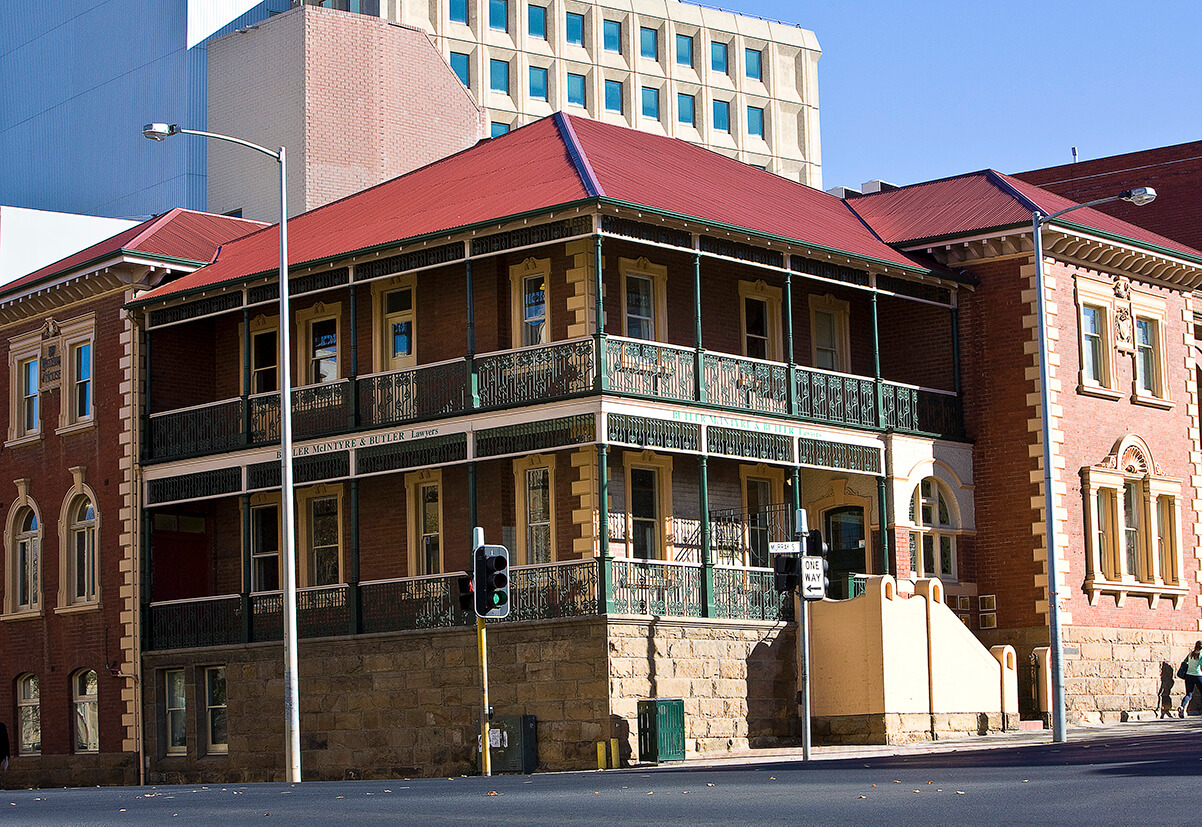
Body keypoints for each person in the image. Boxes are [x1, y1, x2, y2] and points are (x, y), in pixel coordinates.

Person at [1180, 640, 1202, 718]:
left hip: (1188, 676)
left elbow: (1185, 662)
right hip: (1198, 675)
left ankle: (1182, 707)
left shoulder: (1190, 654)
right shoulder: (1201, 655)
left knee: (1189, 694)